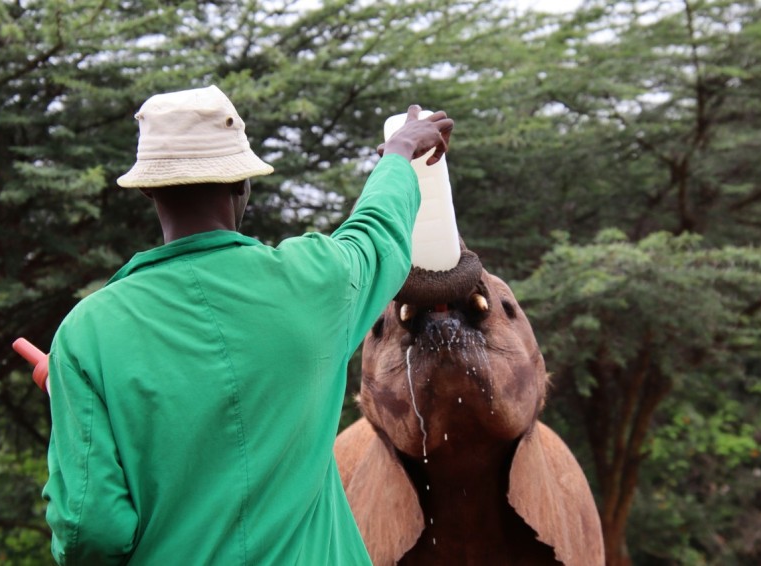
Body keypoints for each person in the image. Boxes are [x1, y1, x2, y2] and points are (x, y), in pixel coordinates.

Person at [42, 85, 453, 564]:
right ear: (242, 182)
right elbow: (377, 233)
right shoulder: (316, 282)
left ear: (148, 188)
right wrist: (398, 155)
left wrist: (72, 411)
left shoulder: (86, 333)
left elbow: (90, 531)